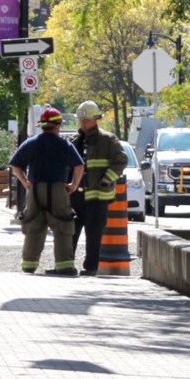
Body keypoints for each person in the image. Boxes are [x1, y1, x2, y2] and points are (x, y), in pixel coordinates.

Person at [9, 107, 84, 276]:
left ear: (41, 125)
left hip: (35, 190)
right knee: (63, 225)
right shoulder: (64, 144)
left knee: (33, 225)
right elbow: (79, 165)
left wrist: (26, 182)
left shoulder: (31, 143)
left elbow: (15, 166)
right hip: (58, 189)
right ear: (57, 125)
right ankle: (64, 266)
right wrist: (73, 184)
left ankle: (29, 265)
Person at [70, 100, 128, 276]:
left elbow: (121, 161)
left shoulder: (108, 139)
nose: (83, 123)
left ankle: (91, 267)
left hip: (98, 197)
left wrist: (106, 179)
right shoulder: (75, 140)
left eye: (86, 120)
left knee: (93, 234)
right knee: (70, 231)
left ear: (95, 119)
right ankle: (66, 264)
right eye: (81, 120)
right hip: (77, 196)